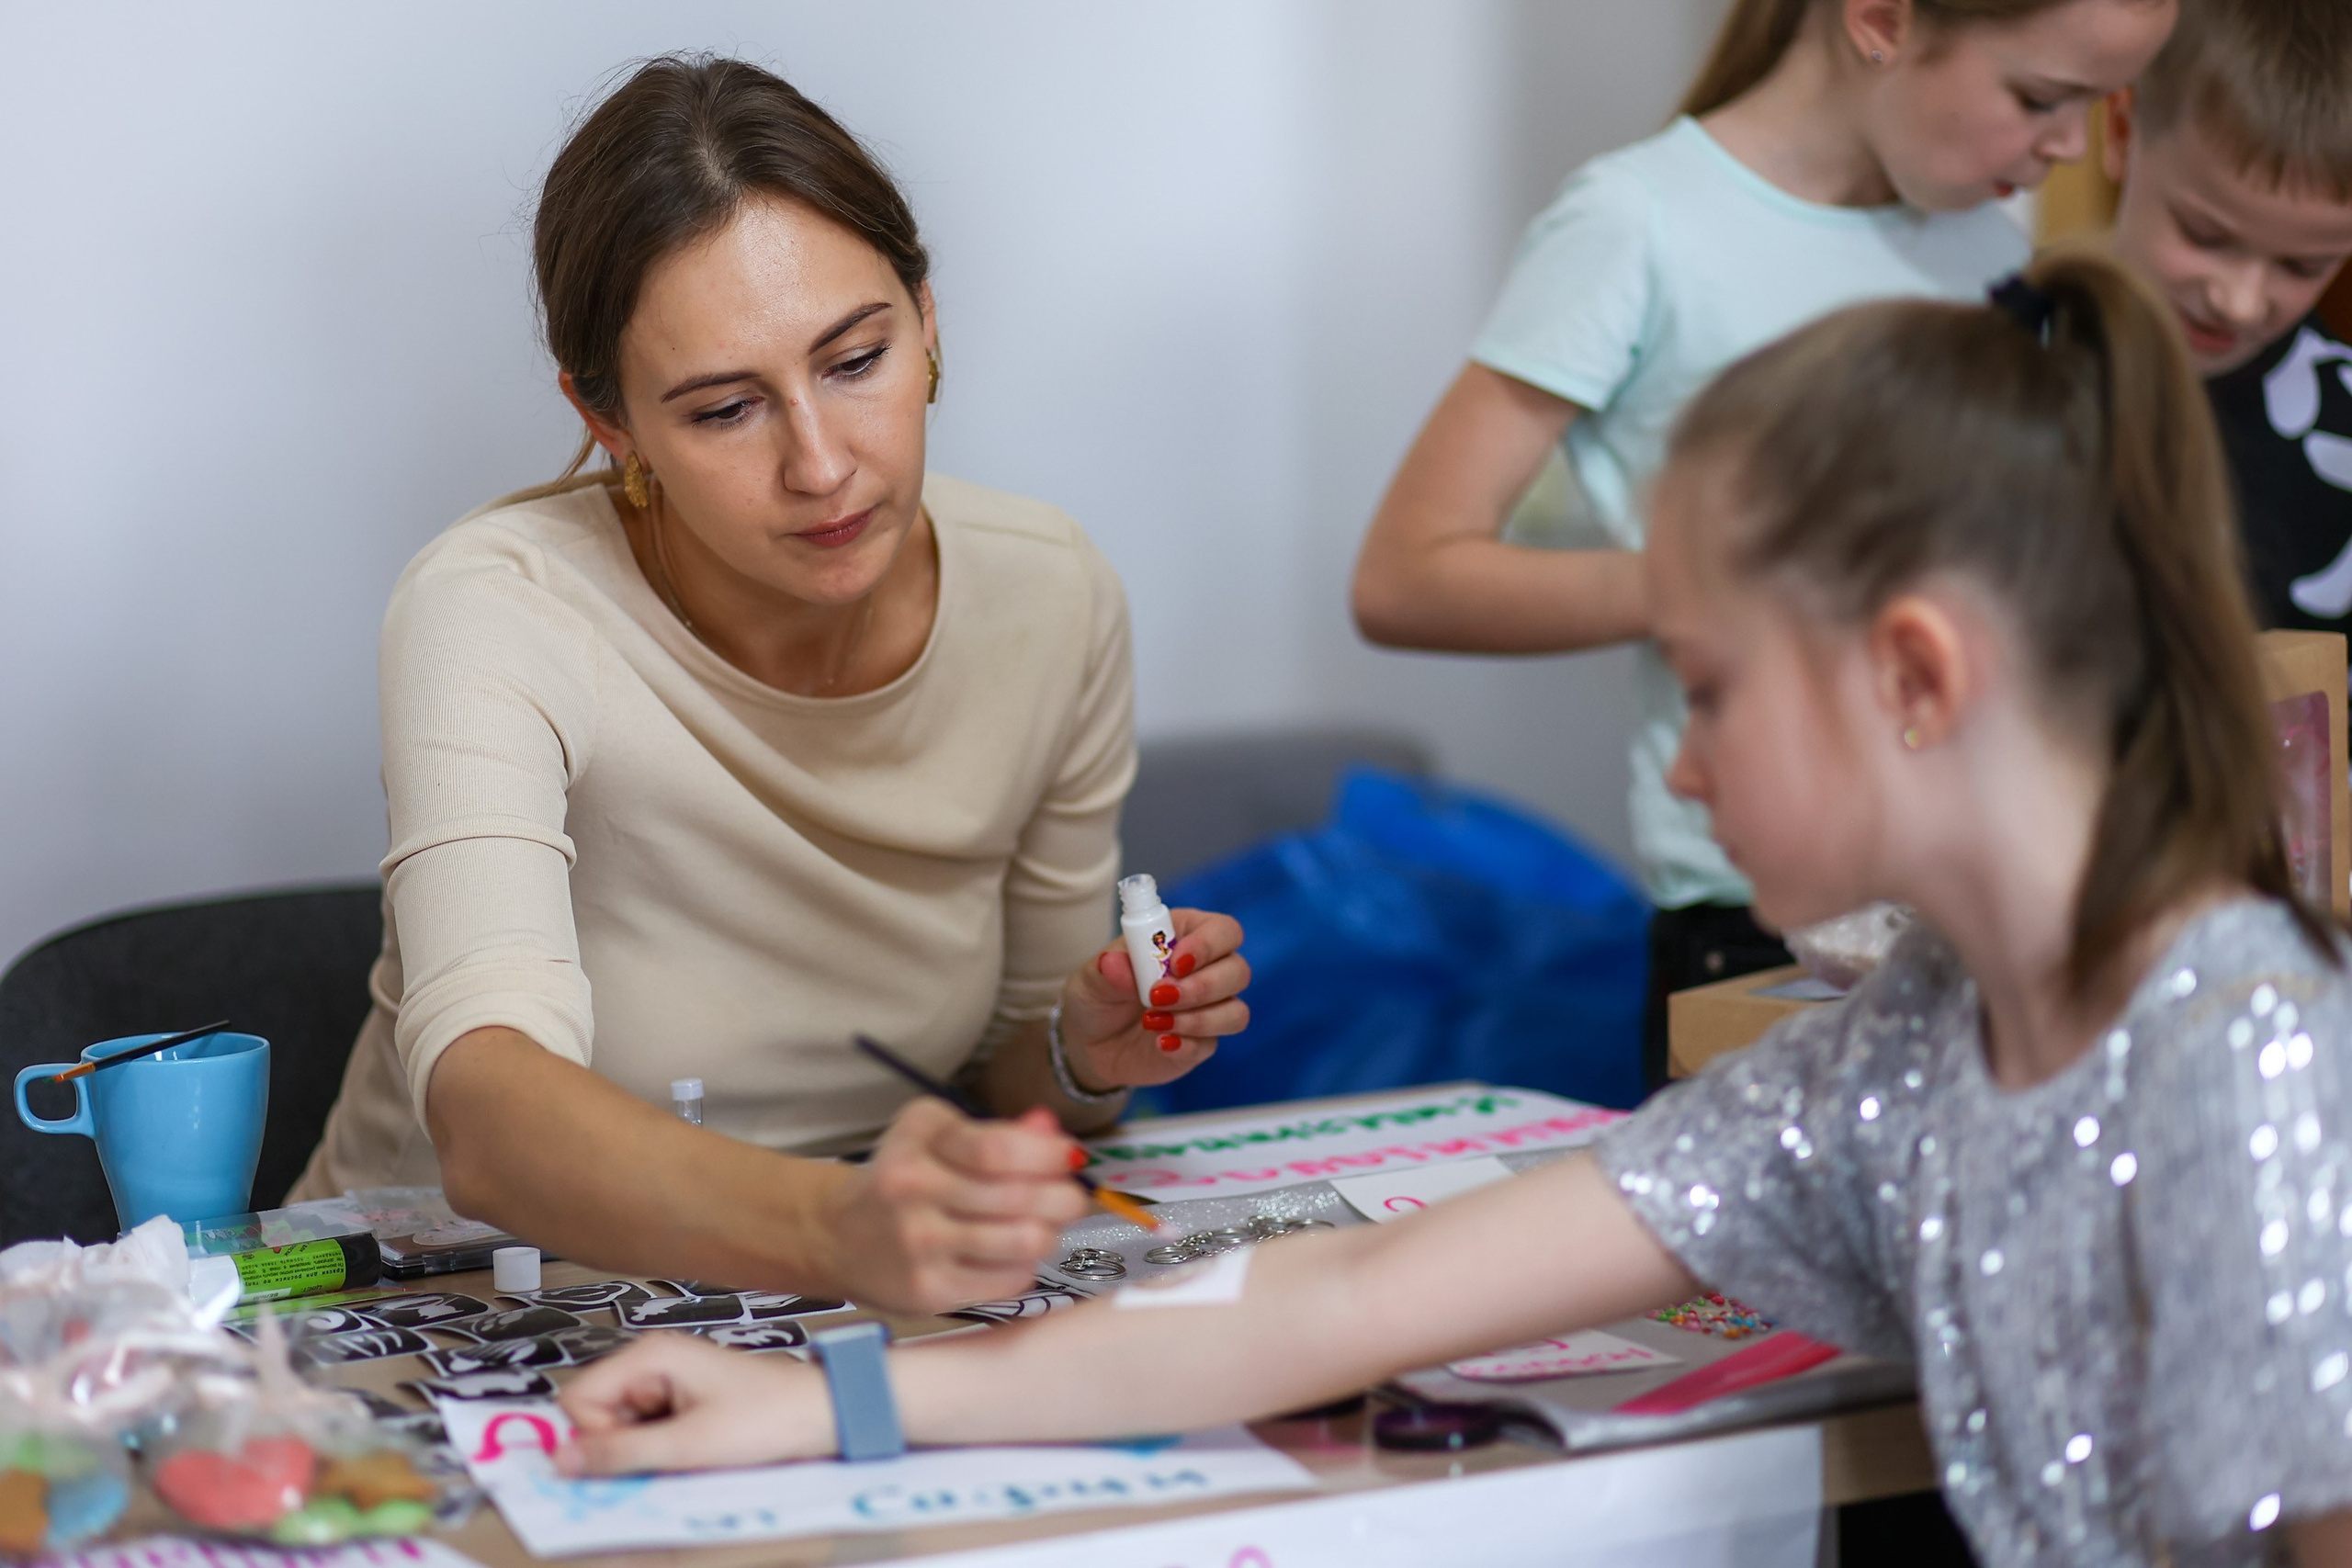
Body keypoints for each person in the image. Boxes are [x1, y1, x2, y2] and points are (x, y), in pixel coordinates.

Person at [558, 253, 2352, 1565]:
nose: (1687, 767)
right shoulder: (1909, 1049)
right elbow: (1346, 1294)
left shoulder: (2244, 1056)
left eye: (1706, 688)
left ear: (1907, 672)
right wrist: (821, 1402)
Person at [288, 57, 1252, 1315]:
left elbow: (1024, 1079)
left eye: (857, 359)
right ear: (609, 418)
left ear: (928, 317)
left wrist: (1080, 1045)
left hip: (834, 1293)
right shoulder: (498, 605)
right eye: (726, 408)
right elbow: (487, 1112)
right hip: (447, 1293)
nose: (822, 462)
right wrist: (835, 1221)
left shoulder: (1051, 593)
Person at [1349, 0, 2177, 1090]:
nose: (2068, 147)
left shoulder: (1991, 242)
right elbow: (1407, 575)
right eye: (2038, 99)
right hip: (1755, 921)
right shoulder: (1639, 223)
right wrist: (1729, 588)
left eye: (2097, 106)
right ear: (1880, 19)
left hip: (1975, 906)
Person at [2100, 0, 2352, 637]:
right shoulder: (1995, 349)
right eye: (2205, 235)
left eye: (2302, 267)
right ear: (2122, 134)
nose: (2241, 302)